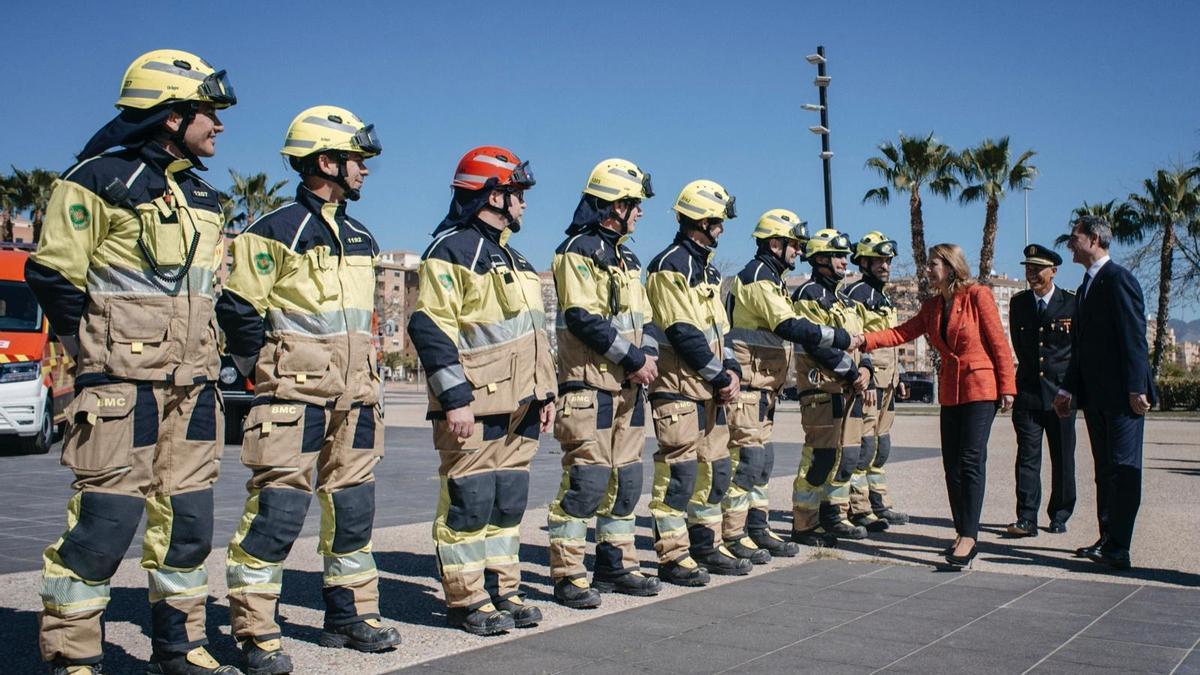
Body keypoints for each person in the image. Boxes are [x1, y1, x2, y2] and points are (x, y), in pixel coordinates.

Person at [25, 50, 241, 675]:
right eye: (208, 113)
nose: (218, 126)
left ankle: (180, 648)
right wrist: (95, 356)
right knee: (105, 524)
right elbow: (52, 274)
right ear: (171, 116)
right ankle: (73, 656)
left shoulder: (204, 195)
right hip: (122, 388)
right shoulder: (94, 179)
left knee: (189, 525)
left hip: (194, 390)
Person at [216, 106, 400, 672]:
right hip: (293, 399)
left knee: (353, 509)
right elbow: (239, 309)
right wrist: (264, 371)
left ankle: (350, 616)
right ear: (327, 162)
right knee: (277, 512)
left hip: (357, 399)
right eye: (357, 160)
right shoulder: (271, 230)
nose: (365, 170)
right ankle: (255, 631)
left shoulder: (361, 235)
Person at [408, 146, 556, 634]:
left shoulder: (513, 256)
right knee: (469, 501)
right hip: (476, 402)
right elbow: (432, 328)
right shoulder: (451, 250)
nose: (524, 203)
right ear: (493, 194)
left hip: (523, 404)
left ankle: (501, 590)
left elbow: (533, 334)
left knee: (507, 501)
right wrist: (454, 399)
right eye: (518, 193)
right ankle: (467, 599)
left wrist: (546, 392)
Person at [546, 158, 662, 609]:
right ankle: (569, 573)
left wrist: (647, 355)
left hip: (632, 388)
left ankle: (615, 563)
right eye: (634, 204)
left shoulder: (628, 258)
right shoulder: (576, 250)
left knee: (626, 481)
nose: (640, 213)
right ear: (613, 206)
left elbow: (646, 317)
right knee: (587, 483)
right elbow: (581, 317)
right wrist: (633, 359)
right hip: (590, 387)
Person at [863, 243, 1015, 569]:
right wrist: (864, 340)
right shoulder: (933, 306)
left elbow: (998, 342)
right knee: (953, 465)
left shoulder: (977, 295)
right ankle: (961, 530)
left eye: (933, 265)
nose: (927, 270)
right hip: (951, 391)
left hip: (980, 389)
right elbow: (903, 332)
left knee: (972, 460)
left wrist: (1008, 386)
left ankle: (970, 537)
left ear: (950, 266)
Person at [723, 211, 861, 561]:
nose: (797, 252)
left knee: (762, 461)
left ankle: (756, 528)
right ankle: (733, 533)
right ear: (775, 243)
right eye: (793, 245)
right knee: (748, 462)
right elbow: (789, 325)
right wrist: (838, 337)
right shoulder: (758, 277)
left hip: (764, 387)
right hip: (750, 385)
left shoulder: (772, 278)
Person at [644, 179, 746, 584]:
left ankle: (706, 543)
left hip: (711, 390)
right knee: (679, 474)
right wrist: (720, 375)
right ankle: (672, 556)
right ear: (700, 221)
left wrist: (732, 368)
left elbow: (722, 328)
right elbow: (683, 331)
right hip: (679, 388)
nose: (721, 228)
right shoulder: (669, 264)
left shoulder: (707, 268)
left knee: (715, 471)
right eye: (717, 221)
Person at [1054, 216, 1155, 571]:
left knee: (1123, 470)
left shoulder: (1118, 279)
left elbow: (1134, 336)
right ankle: (1107, 536)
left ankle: (1119, 546)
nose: (1069, 243)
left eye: (1074, 237)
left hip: (1123, 397)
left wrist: (1137, 386)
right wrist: (1068, 388)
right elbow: (1081, 348)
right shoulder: (1086, 286)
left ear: (1094, 238)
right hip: (1096, 397)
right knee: (1104, 469)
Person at [790, 229, 875, 547]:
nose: (844, 261)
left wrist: (865, 368)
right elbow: (817, 345)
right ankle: (804, 522)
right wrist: (853, 373)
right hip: (823, 389)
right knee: (821, 457)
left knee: (848, 457)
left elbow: (861, 340)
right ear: (820, 258)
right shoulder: (808, 295)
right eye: (838, 255)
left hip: (850, 388)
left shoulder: (845, 301)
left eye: (845, 256)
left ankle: (834, 515)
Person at [1006, 244, 1077, 538]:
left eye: (1038, 269)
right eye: (1028, 268)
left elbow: (1076, 351)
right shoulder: (1019, 303)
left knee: (1062, 458)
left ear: (1054, 271)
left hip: (1061, 395)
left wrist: (1071, 389)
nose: (1032, 273)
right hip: (1029, 394)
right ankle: (1026, 518)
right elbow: (1020, 347)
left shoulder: (1071, 303)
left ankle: (1059, 514)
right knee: (1027, 458)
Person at [845, 231, 911, 529]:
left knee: (881, 448)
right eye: (879, 260)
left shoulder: (883, 295)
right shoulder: (857, 294)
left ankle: (879, 502)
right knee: (865, 446)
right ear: (864, 262)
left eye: (887, 260)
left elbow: (892, 340)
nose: (885, 266)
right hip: (871, 381)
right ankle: (858, 507)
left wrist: (900, 376)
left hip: (890, 380)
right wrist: (867, 378)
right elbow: (856, 342)